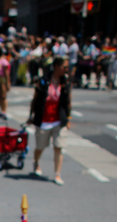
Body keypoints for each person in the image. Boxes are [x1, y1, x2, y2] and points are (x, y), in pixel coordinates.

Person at [29, 56, 71, 186]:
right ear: (57, 67)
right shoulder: (44, 81)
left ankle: (57, 174)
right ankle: (36, 162)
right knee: (40, 147)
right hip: (44, 119)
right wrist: (31, 115)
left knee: (59, 147)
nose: (66, 70)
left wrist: (68, 118)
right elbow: (35, 99)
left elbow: (68, 101)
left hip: (59, 120)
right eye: (64, 67)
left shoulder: (65, 82)